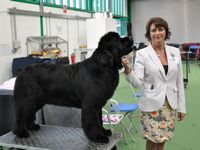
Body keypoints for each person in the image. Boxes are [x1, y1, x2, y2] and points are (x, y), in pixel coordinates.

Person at [121, 17, 186, 150]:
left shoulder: (174, 52)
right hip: (151, 106)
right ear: (149, 34)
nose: (157, 33)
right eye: (153, 30)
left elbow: (179, 81)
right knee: (151, 141)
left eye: (160, 29)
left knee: (163, 139)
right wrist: (127, 69)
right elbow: (137, 82)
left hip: (169, 104)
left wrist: (182, 107)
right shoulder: (142, 54)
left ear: (166, 32)